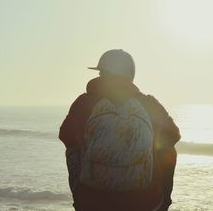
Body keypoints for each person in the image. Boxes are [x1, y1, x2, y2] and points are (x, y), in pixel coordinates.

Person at [59, 49, 180, 211]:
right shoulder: (149, 104)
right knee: (168, 150)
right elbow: (173, 135)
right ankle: (163, 203)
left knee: (73, 150)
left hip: (92, 204)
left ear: (103, 73)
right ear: (130, 75)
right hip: (146, 204)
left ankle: (80, 201)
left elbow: (65, 135)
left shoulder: (84, 103)